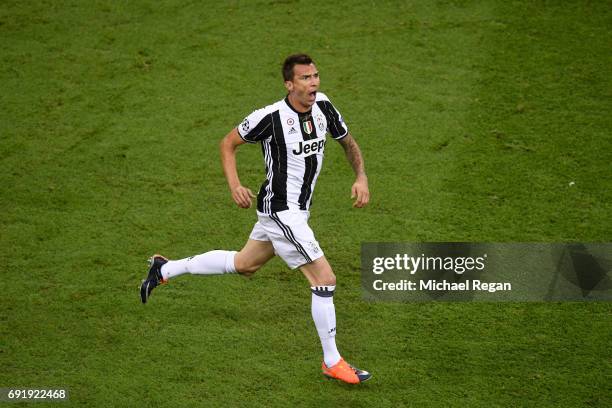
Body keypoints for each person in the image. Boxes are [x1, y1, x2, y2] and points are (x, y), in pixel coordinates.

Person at [140, 53, 371, 384]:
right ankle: (332, 361)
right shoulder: (270, 117)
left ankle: (163, 268)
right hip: (280, 211)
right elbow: (228, 143)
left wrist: (361, 176)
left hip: (297, 211)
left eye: (316, 76)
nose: (314, 83)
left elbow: (347, 142)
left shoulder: (324, 106)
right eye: (305, 79)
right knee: (325, 278)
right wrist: (234, 185)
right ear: (289, 84)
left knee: (244, 264)